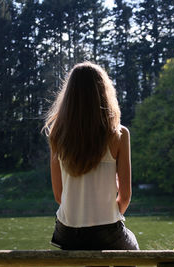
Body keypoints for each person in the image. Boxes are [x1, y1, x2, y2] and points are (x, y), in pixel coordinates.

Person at [43, 62, 139, 251]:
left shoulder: (57, 134)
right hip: (106, 231)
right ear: (104, 93)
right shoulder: (119, 134)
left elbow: (58, 195)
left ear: (69, 96)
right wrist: (106, 215)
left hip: (67, 232)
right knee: (132, 245)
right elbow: (125, 196)